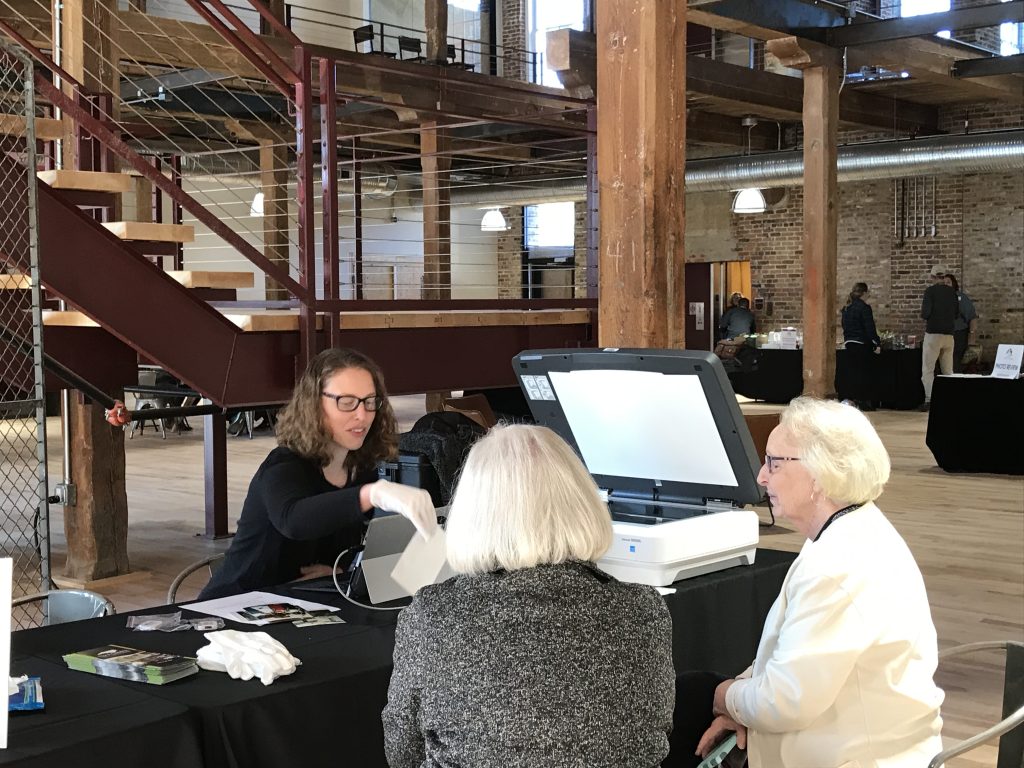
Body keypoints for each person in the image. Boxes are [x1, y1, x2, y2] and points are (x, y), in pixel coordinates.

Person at [382, 424, 675, 768]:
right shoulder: (644, 610)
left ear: (473, 512)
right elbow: (654, 733)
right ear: (580, 501)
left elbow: (402, 754)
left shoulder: (431, 617)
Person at [690, 398, 943, 768]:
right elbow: (786, 665)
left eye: (773, 462)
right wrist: (739, 708)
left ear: (820, 475)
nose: (762, 476)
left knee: (686, 703)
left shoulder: (837, 564)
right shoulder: (851, 530)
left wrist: (724, 697)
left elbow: (785, 701)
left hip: (859, 758)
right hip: (850, 739)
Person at [198, 348, 436, 600]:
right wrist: (372, 494)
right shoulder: (282, 465)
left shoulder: (361, 468)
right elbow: (293, 520)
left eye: (369, 402)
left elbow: (347, 545)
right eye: (346, 402)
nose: (362, 415)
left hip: (302, 604)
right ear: (314, 404)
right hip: (233, 605)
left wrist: (339, 570)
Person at [920, 264, 958, 409]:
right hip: (949, 335)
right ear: (943, 277)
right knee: (948, 371)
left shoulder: (930, 291)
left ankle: (930, 400)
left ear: (933, 277)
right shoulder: (952, 292)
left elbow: (925, 313)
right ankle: (949, 400)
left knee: (928, 370)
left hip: (933, 334)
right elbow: (956, 313)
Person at [840, 281, 881, 411]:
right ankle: (864, 401)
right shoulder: (864, 308)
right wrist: (876, 342)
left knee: (853, 373)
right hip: (862, 344)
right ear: (864, 293)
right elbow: (869, 328)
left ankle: (852, 400)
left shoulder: (846, 308)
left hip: (849, 343)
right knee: (864, 374)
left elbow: (844, 326)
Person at [944, 273, 979, 372]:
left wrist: (972, 337)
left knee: (955, 362)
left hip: (958, 334)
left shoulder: (960, 298)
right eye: (944, 283)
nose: (946, 285)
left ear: (953, 284)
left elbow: (972, 317)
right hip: (943, 335)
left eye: (948, 282)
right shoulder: (939, 299)